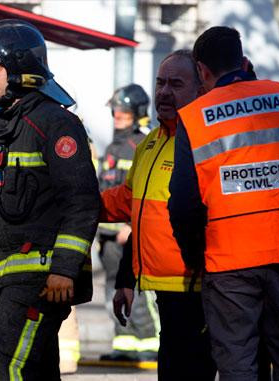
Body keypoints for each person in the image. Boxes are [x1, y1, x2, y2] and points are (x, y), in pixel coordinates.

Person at [169, 26, 279, 380]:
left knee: (237, 363)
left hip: (229, 258)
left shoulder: (194, 117)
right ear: (244, 60)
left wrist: (195, 257)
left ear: (202, 70)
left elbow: (184, 204)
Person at [0, 19, 100, 379]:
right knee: (36, 370)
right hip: (9, 280)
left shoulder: (55, 123)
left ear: (18, 69)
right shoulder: (4, 127)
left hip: (41, 280)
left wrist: (65, 269)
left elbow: (81, 202)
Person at [101, 50, 217, 380]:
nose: (164, 92)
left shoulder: (208, 141)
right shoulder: (151, 143)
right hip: (163, 288)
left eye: (176, 83)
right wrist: (126, 278)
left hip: (198, 290)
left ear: (200, 88)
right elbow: (131, 206)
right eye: (160, 82)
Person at [97, 84, 159, 362]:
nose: (117, 116)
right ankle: (124, 342)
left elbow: (146, 192)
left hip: (129, 234)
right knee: (113, 289)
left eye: (123, 112)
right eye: (115, 112)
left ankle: (149, 341)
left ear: (137, 113)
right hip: (108, 237)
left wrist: (133, 226)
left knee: (139, 291)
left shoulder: (142, 145)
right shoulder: (112, 146)